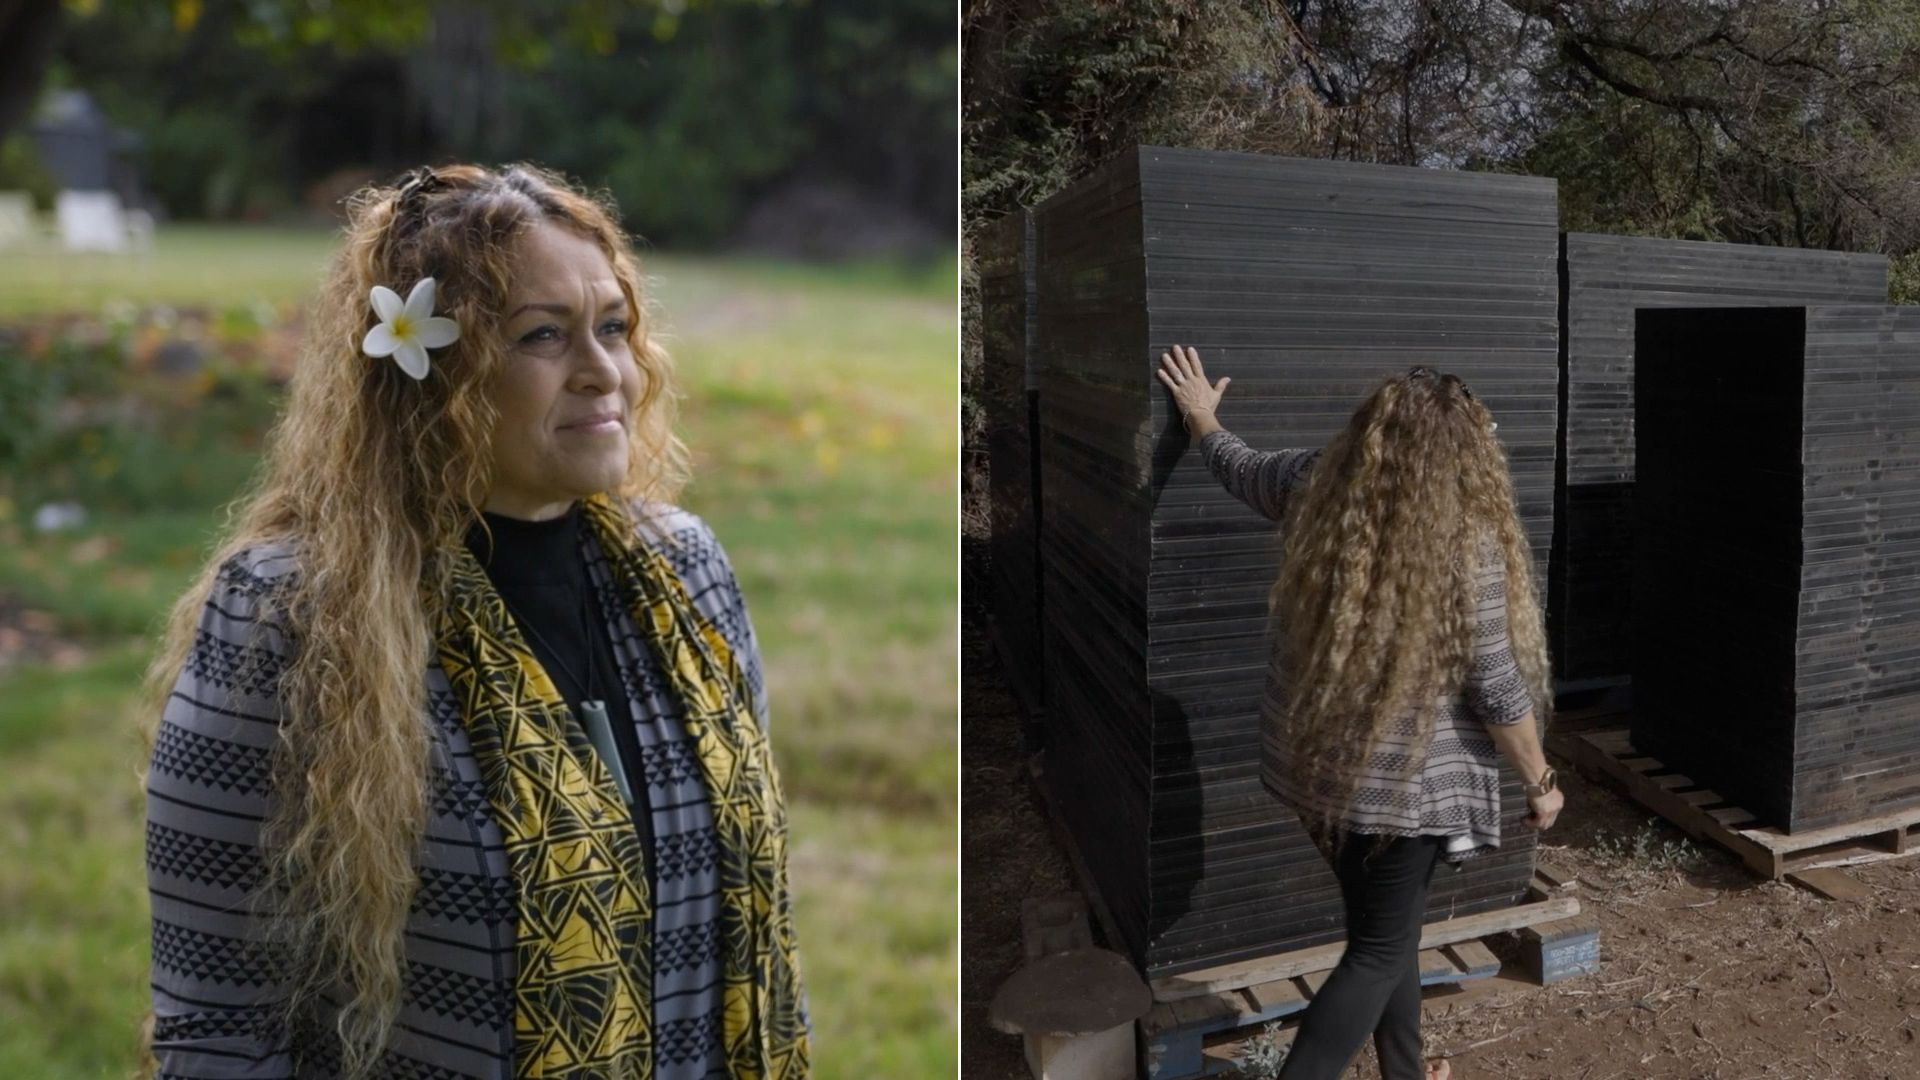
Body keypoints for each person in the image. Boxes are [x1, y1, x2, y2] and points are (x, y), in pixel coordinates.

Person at [137, 163, 812, 1079]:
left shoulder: (686, 571)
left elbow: (757, 925)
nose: (605, 372)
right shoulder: (290, 614)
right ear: (430, 373)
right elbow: (215, 1020)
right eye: (545, 337)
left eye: (613, 328)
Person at [1156, 346, 1562, 1080]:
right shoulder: (1466, 544)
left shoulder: (1317, 483)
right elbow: (1497, 688)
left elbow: (1238, 466)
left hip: (1317, 776)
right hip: (1400, 797)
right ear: (1468, 456)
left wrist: (1201, 418)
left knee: (1388, 933)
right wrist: (1540, 780)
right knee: (1377, 952)